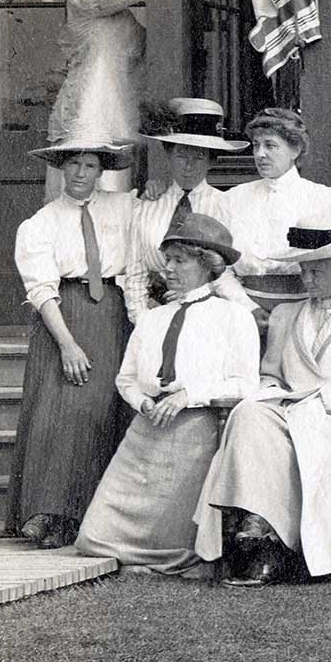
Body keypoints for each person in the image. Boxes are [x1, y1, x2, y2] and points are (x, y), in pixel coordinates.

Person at [197, 220, 331, 585]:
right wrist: (270, 393)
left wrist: (325, 399)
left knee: (295, 427)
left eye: (316, 270)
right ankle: (260, 530)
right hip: (286, 411)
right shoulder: (285, 314)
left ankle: (266, 542)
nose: (307, 279)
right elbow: (271, 376)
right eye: (303, 269)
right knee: (248, 412)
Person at [75, 212, 260, 574]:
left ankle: (164, 558)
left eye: (180, 261)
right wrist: (143, 401)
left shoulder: (234, 317)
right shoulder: (152, 318)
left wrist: (188, 395)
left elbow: (245, 383)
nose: (169, 270)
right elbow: (126, 378)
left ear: (208, 264)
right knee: (93, 538)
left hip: (197, 430)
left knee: (176, 542)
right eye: (168, 260)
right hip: (146, 431)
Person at [6, 135, 147, 549]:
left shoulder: (126, 208)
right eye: (73, 165)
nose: (81, 174)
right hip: (63, 317)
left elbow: (154, 229)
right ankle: (44, 512)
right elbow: (41, 289)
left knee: (97, 411)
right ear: (61, 168)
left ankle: (81, 518)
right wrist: (67, 344)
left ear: (101, 170)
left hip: (111, 315)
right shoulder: (42, 222)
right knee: (57, 412)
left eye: (89, 166)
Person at [44, 0, 144, 199]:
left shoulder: (121, 18)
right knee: (78, 202)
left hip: (116, 116)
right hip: (87, 116)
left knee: (114, 204)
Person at [221, 108, 331, 318]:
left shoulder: (324, 199)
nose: (260, 154)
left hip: (309, 313)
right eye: (256, 145)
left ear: (295, 149)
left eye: (270, 145)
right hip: (243, 313)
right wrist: (248, 308)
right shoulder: (233, 198)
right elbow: (221, 266)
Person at [129, 99, 241, 304]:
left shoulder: (225, 205)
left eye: (198, 157)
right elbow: (135, 274)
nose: (189, 166)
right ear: (168, 154)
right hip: (153, 312)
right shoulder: (148, 204)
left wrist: (193, 296)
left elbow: (229, 272)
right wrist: (144, 320)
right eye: (181, 155)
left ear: (211, 160)